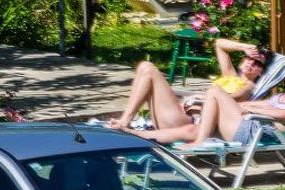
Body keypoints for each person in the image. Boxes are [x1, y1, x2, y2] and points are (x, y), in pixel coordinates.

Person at [131, 47, 285, 148]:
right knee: (191, 129)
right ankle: (136, 134)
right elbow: (263, 104)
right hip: (248, 123)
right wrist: (245, 106)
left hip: (257, 130)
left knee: (215, 91)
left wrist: (251, 109)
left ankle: (201, 141)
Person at [104, 36, 272, 132]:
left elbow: (226, 99)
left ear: (261, 72)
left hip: (186, 123)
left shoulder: (249, 87)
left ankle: (125, 120)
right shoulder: (230, 75)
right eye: (249, 58)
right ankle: (126, 119)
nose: (251, 63)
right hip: (177, 115)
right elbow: (219, 44)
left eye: (257, 63)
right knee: (144, 67)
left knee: (149, 69)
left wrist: (202, 97)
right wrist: (244, 47)